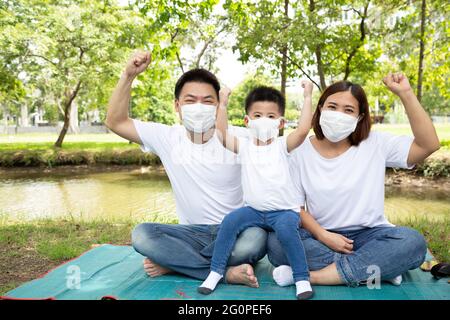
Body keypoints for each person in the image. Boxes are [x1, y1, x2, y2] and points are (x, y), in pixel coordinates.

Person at [105, 51, 267, 286]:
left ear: (219, 105)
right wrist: (128, 75)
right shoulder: (167, 137)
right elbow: (115, 121)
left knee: (257, 238)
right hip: (192, 235)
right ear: (177, 106)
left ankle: (176, 264)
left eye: (208, 101)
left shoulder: (240, 139)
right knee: (142, 235)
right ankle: (225, 272)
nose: (199, 107)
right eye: (191, 101)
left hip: (236, 233)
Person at [268, 73, 440, 288]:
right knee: (276, 243)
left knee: (411, 242)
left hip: (370, 235)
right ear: (320, 109)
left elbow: (428, 145)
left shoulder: (376, 143)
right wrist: (323, 235)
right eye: (332, 106)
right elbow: (294, 206)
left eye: (348, 110)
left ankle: (313, 276)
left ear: (359, 118)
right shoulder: (298, 150)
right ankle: (379, 269)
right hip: (319, 235)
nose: (338, 114)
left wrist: (405, 93)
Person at [198, 82, 315, 300]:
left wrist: (307, 96)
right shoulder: (244, 146)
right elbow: (221, 133)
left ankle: (301, 278)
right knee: (230, 221)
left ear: (280, 123)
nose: (264, 120)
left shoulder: (282, 146)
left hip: (283, 212)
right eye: (258, 115)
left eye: (271, 117)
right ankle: (215, 272)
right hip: (253, 210)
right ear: (247, 120)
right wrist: (222, 102)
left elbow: (302, 130)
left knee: (289, 233)